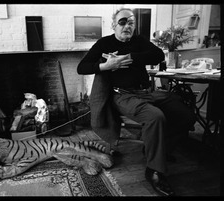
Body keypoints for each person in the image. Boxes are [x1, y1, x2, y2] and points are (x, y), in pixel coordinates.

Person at [77, 8, 196, 196]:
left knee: (186, 114)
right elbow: (81, 67)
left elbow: (158, 55)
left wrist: (130, 57)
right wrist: (106, 66)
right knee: (155, 117)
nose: (127, 26)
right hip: (122, 95)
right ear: (114, 25)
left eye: (131, 22)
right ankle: (154, 170)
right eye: (123, 22)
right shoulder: (104, 43)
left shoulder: (139, 41)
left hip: (147, 93)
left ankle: (157, 149)